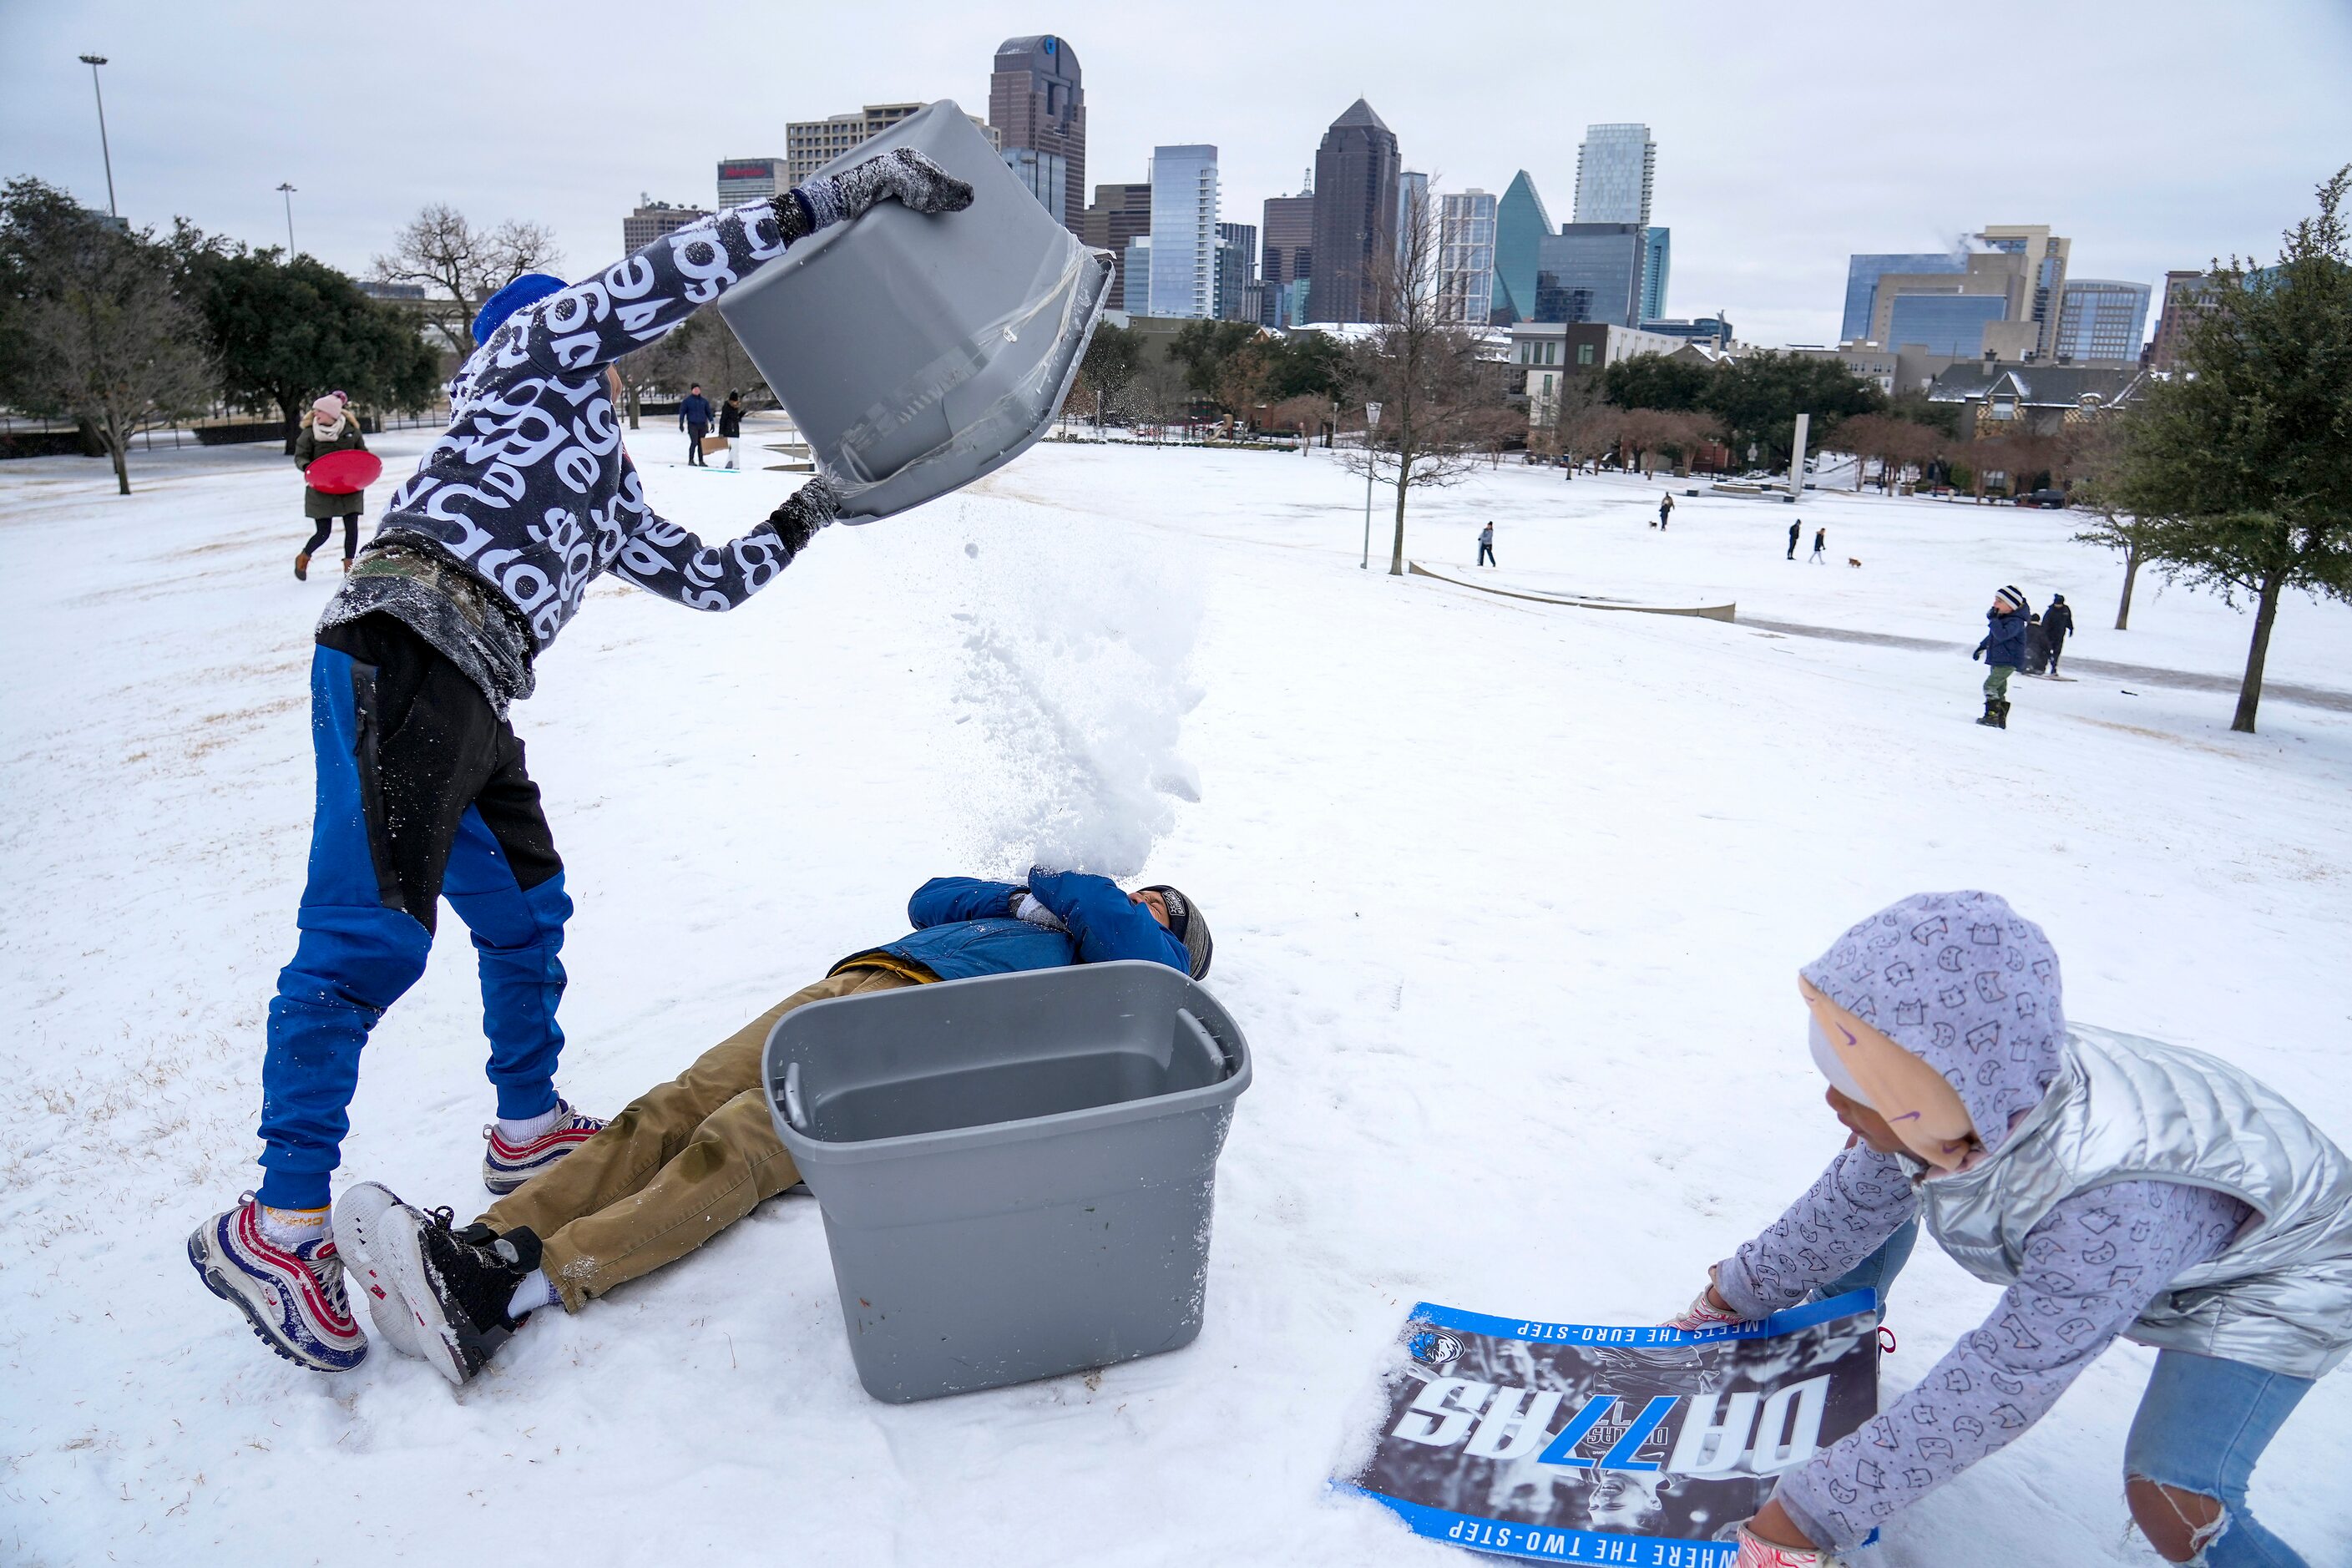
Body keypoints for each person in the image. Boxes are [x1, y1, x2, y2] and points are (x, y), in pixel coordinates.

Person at [186, 146, 976, 1373]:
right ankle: (277, 1223)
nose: (608, 361)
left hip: (477, 689)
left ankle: (526, 1125)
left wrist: (813, 508)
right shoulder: (526, 354)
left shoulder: (602, 479)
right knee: (368, 938)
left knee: (526, 911)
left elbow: (710, 582)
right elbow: (675, 273)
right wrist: (845, 193)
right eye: (593, 341)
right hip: (399, 644)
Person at [1664, 890, 2349, 1568]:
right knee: (1873, 1172)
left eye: (1855, 1087)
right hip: (2162, 1209)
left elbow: (2003, 1378)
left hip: (2288, 1267)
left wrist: (1808, 1516)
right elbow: (1848, 1206)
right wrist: (1732, 1299)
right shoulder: (1970, 1087)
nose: (1829, 1099)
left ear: (1927, 1098)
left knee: (2176, 1501)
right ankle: (1834, 1332)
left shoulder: (2108, 1210)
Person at [331, 868, 1214, 1387]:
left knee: (743, 1146)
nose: (1144, 903)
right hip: (855, 984)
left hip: (924, 1034)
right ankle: (483, 1245)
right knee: (672, 1107)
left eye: (1162, 906)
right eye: (1145, 894)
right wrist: (1021, 899)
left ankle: (513, 1292)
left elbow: (1142, 952)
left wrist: (1081, 890)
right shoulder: (1049, 915)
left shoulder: (1134, 957)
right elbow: (928, 897)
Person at [292, 393, 368, 580]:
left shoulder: (351, 431)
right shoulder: (310, 433)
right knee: (323, 532)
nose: (316, 414)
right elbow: (300, 456)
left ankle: (349, 565)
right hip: (322, 488)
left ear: (331, 413)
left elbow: (362, 454)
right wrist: (307, 468)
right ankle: (303, 557)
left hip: (349, 486)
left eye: (320, 411)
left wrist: (364, 468)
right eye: (315, 411)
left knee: (352, 527)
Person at [1972, 584, 2029, 728]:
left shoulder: (2016, 622)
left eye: (1999, 601)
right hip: (1999, 659)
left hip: (2008, 661)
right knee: (1999, 689)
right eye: (1995, 599)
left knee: (1990, 686)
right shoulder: (2003, 619)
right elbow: (1993, 636)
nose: (1994, 603)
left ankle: (1992, 716)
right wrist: (1982, 647)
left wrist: (1993, 620)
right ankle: (2000, 718)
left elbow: (2002, 635)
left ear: (2011, 606)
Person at [679, 383, 712, 466]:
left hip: (702, 424)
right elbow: (682, 412)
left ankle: (701, 461)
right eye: (695, 389)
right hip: (692, 424)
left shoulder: (704, 401)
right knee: (694, 442)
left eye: (698, 389)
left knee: (701, 443)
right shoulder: (687, 401)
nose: (697, 390)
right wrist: (681, 423)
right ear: (692, 390)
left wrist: (712, 422)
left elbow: (709, 412)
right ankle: (691, 460)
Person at [2044, 593, 2076, 674]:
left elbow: (2069, 620)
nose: (2058, 606)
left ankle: (2054, 667)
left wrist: (2071, 628)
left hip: (2060, 635)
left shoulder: (2066, 610)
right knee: (2046, 651)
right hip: (2049, 635)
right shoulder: (2050, 611)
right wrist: (2043, 634)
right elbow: (2045, 623)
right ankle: (2044, 665)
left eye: (2059, 604)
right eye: (2057, 604)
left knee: (2057, 652)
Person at [716, 389, 745, 470]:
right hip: (728, 431)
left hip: (735, 431)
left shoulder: (735, 408)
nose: (737, 403)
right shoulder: (726, 408)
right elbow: (723, 420)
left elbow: (736, 419)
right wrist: (721, 432)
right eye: (735, 401)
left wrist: (741, 414)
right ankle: (736, 465)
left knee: (734, 449)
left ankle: (729, 463)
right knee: (734, 449)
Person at [2024, 611, 2051, 676]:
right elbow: (2045, 643)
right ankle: (2038, 668)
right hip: (2037, 652)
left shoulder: (2026, 629)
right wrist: (2049, 652)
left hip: (2025, 651)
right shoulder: (2041, 630)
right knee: (2041, 655)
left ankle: (2026, 666)